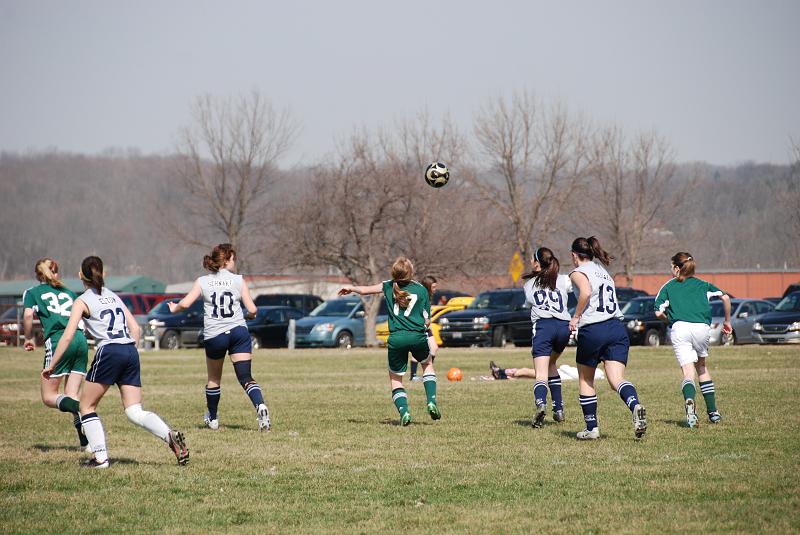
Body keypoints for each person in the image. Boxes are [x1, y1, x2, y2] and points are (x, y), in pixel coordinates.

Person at [42, 256, 188, 468]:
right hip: (129, 349)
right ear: (104, 274)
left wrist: (52, 365)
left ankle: (100, 458)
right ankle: (169, 435)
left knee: (86, 406)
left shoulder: (82, 301)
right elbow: (136, 329)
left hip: (109, 351)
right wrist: (127, 353)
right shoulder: (113, 296)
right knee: (134, 410)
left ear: (81, 276)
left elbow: (66, 337)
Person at [168, 243, 270, 431]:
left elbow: (185, 303)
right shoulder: (238, 280)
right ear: (226, 260)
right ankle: (261, 407)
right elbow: (253, 309)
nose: (234, 262)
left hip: (215, 334)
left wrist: (174, 308)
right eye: (233, 259)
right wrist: (250, 316)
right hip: (239, 332)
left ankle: (213, 419)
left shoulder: (203, 281)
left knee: (214, 379)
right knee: (246, 377)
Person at [339, 257, 440, 426]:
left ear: (394, 272)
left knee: (396, 379)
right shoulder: (421, 290)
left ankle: (404, 412)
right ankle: (431, 401)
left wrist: (351, 288)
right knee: (427, 364)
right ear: (410, 272)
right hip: (417, 336)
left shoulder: (388, 285)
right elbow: (427, 321)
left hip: (396, 339)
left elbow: (365, 290)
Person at [569, 237, 647, 440]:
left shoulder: (578, 272)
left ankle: (592, 428)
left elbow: (585, 293)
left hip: (594, 328)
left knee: (586, 379)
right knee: (616, 380)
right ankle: (635, 405)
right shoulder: (603, 272)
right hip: (616, 328)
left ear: (574, 255)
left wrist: (576, 317)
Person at [490, 247, 571, 427]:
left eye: (532, 260)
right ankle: (558, 409)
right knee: (551, 364)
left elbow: (529, 302)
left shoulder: (529, 285)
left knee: (541, 373)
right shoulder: (564, 279)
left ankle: (541, 403)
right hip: (564, 327)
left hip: (544, 326)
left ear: (537, 264)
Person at [654, 252, 730, 427]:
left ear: (676, 268)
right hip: (701, 328)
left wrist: (670, 320)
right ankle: (713, 413)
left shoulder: (668, 286)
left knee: (688, 372)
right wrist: (727, 321)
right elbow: (725, 297)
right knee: (701, 367)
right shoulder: (703, 284)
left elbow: (658, 311)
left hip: (680, 329)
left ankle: (690, 403)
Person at [22, 258, 89, 450]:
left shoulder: (33, 292)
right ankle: (86, 442)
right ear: (56, 272)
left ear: (37, 275)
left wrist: (28, 338)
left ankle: (82, 409)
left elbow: (27, 315)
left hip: (60, 340)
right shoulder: (68, 292)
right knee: (72, 394)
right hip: (80, 340)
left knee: (49, 396)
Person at [410, 275, 439, 382]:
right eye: (434, 287)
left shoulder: (429, 295)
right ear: (428, 286)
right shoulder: (422, 295)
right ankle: (413, 376)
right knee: (417, 351)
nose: (435, 289)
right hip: (420, 327)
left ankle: (427, 372)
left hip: (426, 327)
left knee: (434, 347)